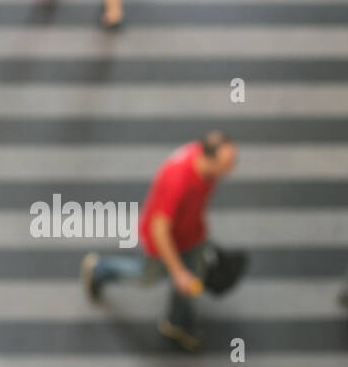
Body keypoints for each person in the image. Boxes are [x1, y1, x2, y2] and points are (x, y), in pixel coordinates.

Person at [80, 131, 239, 351]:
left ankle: (177, 324)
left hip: (191, 235)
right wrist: (177, 271)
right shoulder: (178, 179)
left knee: (191, 279)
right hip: (164, 241)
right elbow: (159, 230)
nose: (232, 168)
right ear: (210, 159)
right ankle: (98, 268)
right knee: (146, 276)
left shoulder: (207, 169)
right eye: (228, 163)